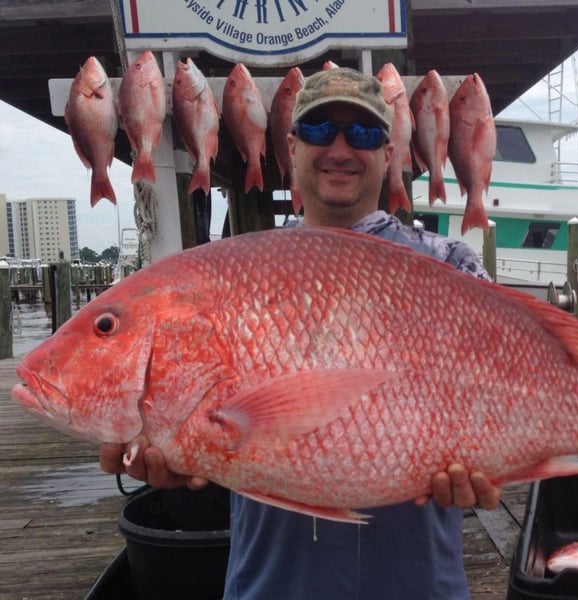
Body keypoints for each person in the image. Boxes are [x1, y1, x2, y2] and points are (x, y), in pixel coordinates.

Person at [100, 67, 501, 599]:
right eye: (318, 131)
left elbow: (510, 399)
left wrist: (492, 473)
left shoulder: (452, 265)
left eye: (362, 134)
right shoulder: (236, 275)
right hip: (274, 584)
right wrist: (159, 446)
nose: (340, 148)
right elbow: (195, 425)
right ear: (290, 145)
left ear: (389, 152)